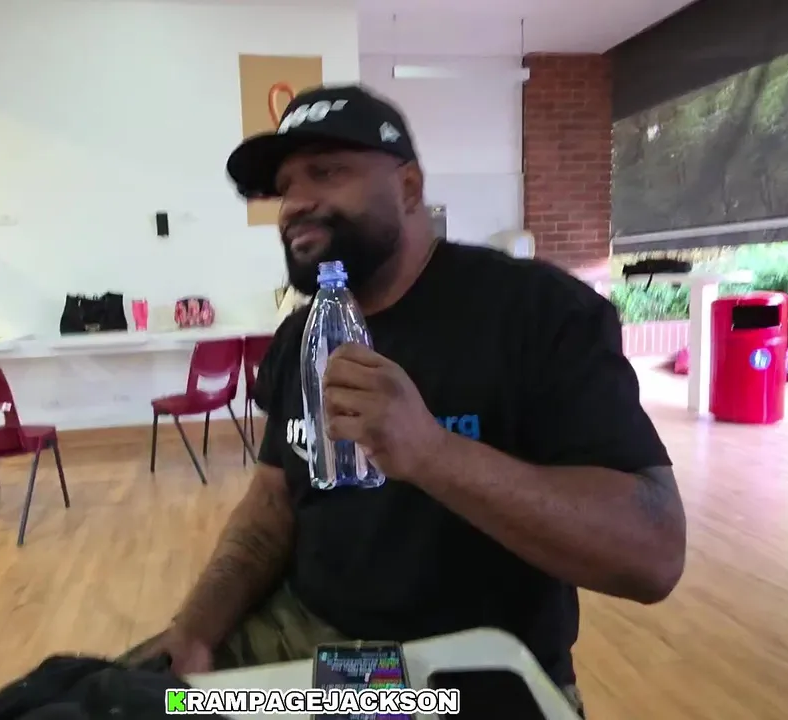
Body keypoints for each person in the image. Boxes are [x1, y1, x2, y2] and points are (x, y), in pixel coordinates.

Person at [121, 85, 687, 716]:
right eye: (285, 187)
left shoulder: (537, 312)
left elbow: (654, 553)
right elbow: (272, 501)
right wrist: (197, 629)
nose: (296, 204)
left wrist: (431, 452)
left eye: (327, 172)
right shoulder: (300, 338)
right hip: (322, 653)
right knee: (105, 700)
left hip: (457, 671)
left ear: (410, 188)